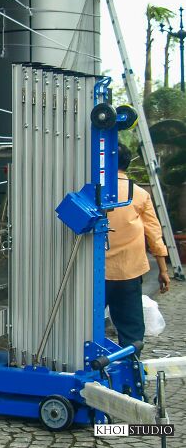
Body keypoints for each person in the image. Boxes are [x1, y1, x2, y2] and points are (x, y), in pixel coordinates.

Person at [106, 144, 170, 347]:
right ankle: (131, 367)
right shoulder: (140, 194)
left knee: (87, 323)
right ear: (127, 164)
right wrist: (163, 270)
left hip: (95, 271)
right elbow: (153, 233)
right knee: (131, 327)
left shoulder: (92, 191)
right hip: (129, 271)